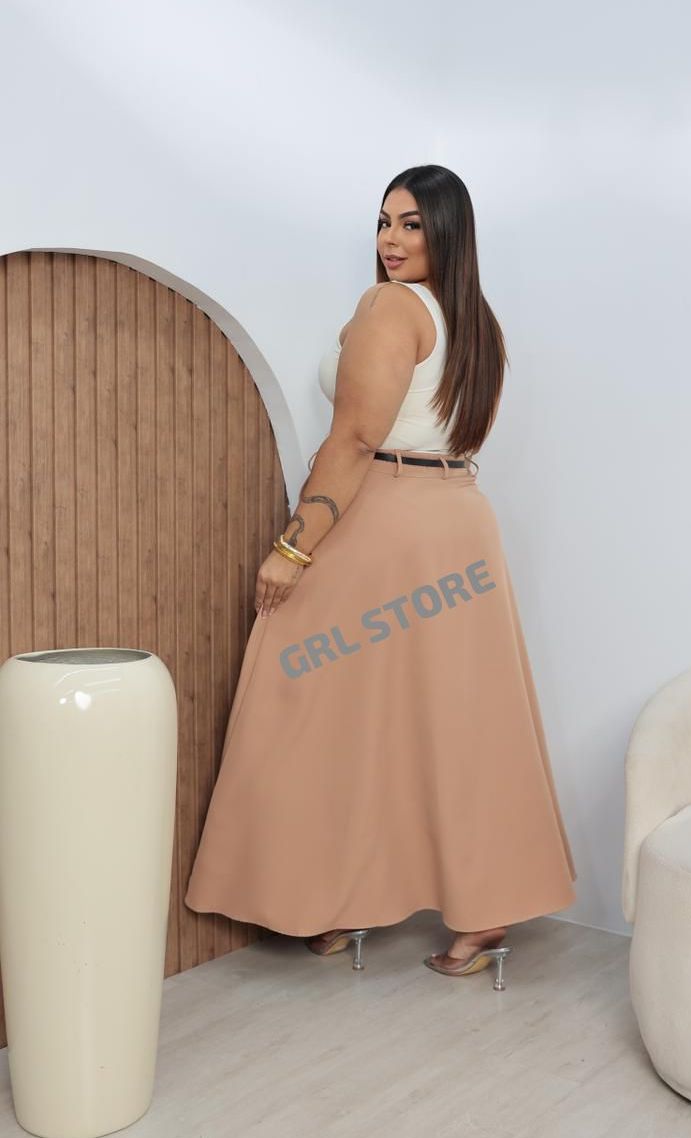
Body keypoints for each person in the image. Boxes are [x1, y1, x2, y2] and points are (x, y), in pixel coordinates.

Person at [184, 164, 578, 991]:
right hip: (460, 525)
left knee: (305, 686)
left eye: (411, 224)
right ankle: (467, 905)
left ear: (446, 232)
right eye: (384, 222)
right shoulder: (474, 322)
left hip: (389, 519)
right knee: (453, 717)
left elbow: (356, 438)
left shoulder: (392, 307)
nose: (391, 241)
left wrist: (294, 548)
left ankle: (327, 896)